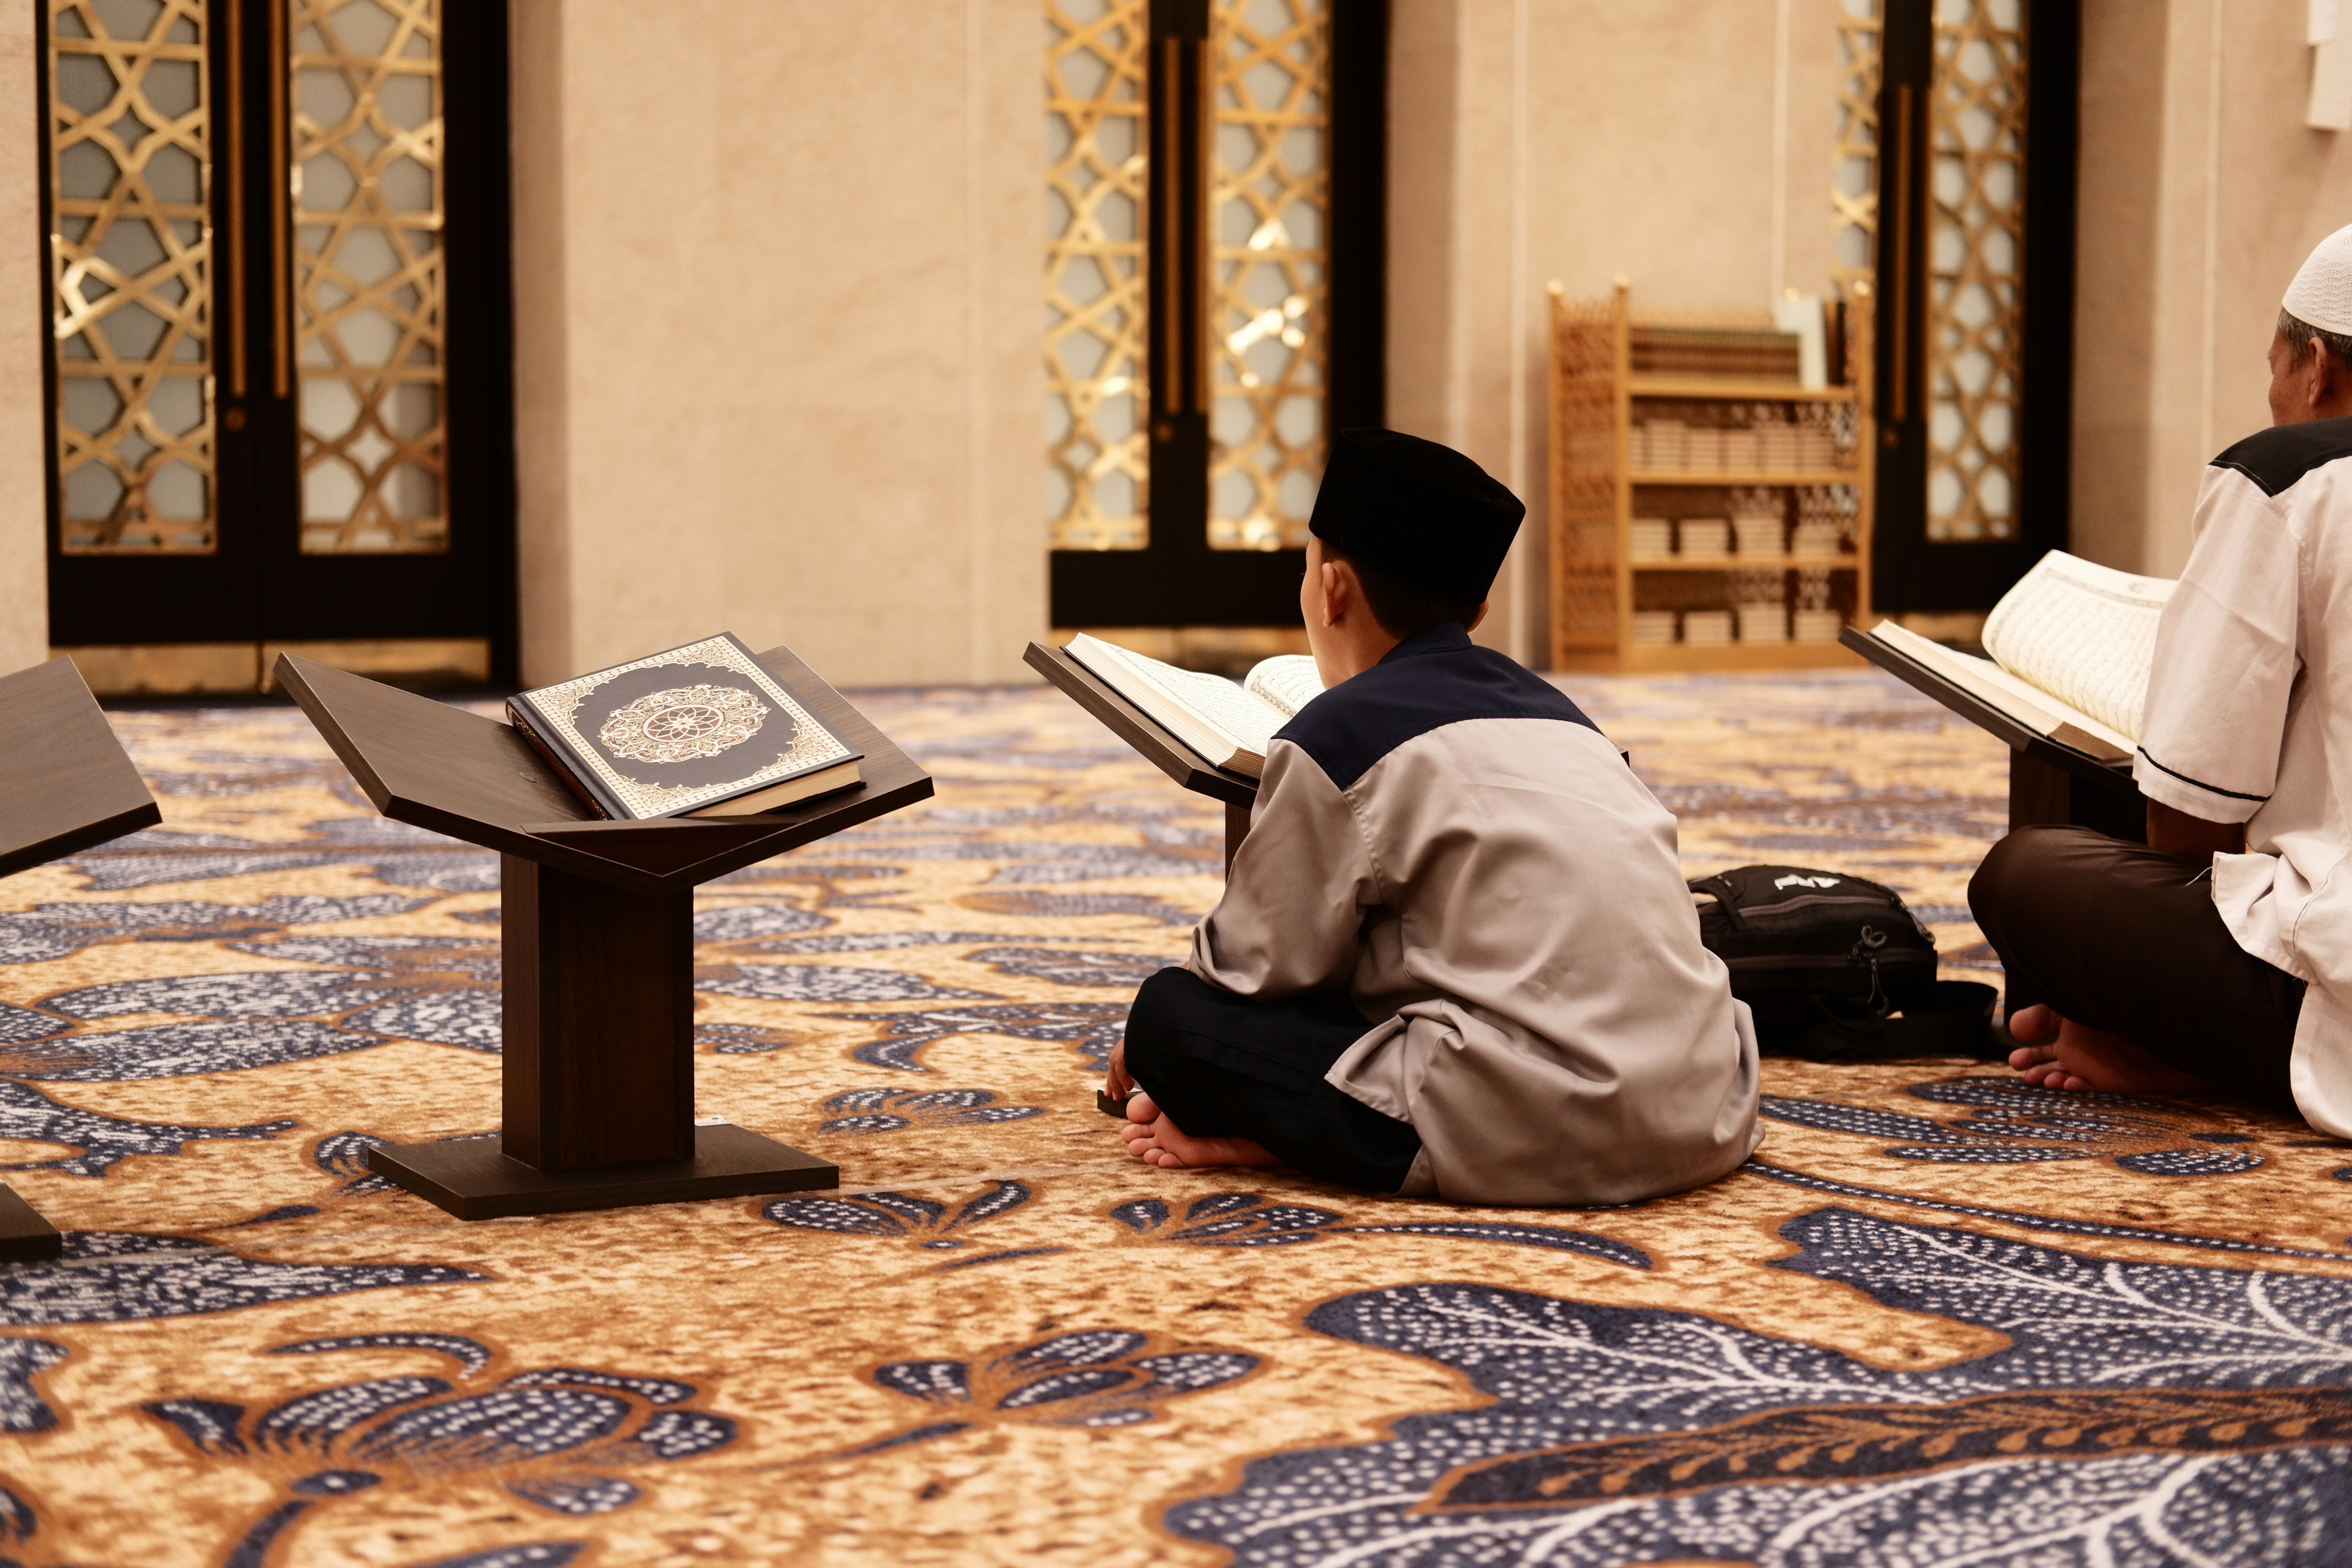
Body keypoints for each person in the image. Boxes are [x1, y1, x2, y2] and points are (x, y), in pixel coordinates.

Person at [1100, 428, 1762, 1207]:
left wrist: (1170, 1044)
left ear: (1333, 588)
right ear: (1477, 610)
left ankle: (1270, 1137)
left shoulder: (1339, 734)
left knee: (1171, 1018)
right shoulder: (1574, 722)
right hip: (1704, 1103)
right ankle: (1281, 1123)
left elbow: (1255, 969)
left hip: (1538, 1122)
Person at [1968, 223, 2352, 1135]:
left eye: (2274, 368)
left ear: (2316, 367)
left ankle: (2155, 1041)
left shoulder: (2290, 479)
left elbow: (2187, 823)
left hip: (2334, 989)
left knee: (2030, 872)